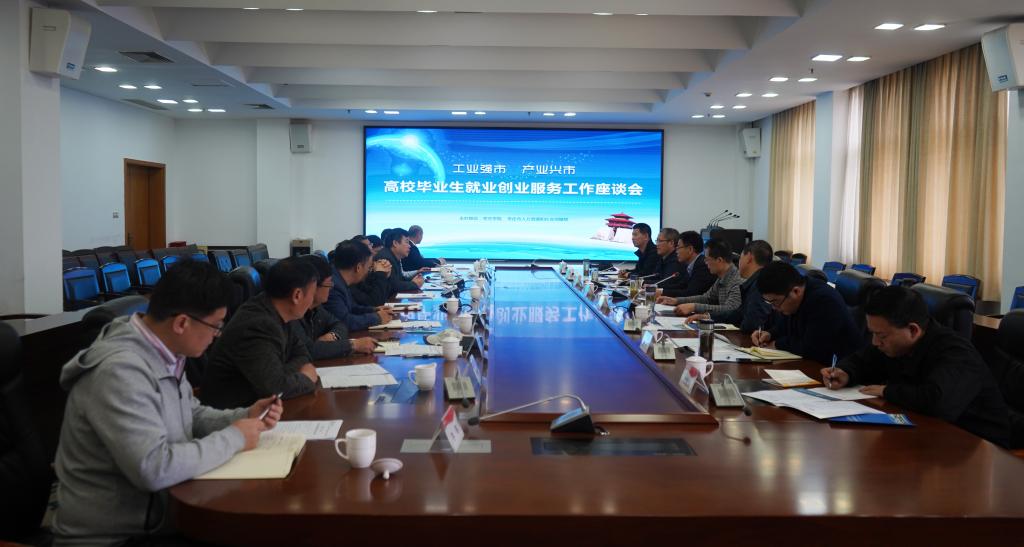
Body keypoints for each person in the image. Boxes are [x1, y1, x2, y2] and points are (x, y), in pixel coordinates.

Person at [53, 260, 283, 545]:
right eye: (215, 326)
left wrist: (245, 415)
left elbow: (191, 414)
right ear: (182, 323)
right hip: (114, 537)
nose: (217, 336)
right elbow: (153, 467)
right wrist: (235, 437)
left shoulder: (165, 351)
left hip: (164, 514)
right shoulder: (119, 372)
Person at [822, 286, 1011, 447]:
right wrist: (845, 372)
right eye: (872, 333)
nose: (875, 342)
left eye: (881, 336)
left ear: (913, 330)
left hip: (980, 445)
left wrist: (887, 391)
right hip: (929, 436)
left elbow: (938, 402)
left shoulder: (956, 353)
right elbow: (863, 360)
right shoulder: (895, 344)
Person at [201, 257, 320, 409]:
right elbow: (274, 388)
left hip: (261, 406)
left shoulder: (278, 311)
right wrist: (305, 377)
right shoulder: (258, 324)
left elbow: (304, 355)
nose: (312, 300)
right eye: (312, 294)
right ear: (297, 295)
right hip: (233, 413)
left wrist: (282, 372)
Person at [753, 261, 862, 365]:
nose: (774, 308)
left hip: (834, 368)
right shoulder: (792, 298)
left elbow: (812, 348)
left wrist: (777, 344)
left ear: (796, 291)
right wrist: (769, 334)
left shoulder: (824, 300)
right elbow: (784, 327)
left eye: (775, 302)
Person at [296, 255, 376, 359]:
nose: (331, 288)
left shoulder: (317, 308)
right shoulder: (294, 315)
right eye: (328, 284)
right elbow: (307, 350)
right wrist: (353, 345)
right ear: (313, 286)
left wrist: (333, 335)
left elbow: (340, 324)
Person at [657, 239, 742, 320]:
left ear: (719, 260)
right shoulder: (722, 277)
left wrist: (694, 307)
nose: (705, 262)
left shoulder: (736, 280)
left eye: (707, 259)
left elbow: (730, 309)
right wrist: (676, 300)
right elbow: (706, 298)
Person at [324, 240, 394, 331]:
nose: (368, 272)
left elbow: (352, 307)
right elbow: (345, 321)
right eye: (369, 267)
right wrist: (377, 318)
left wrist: (374, 310)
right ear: (358, 267)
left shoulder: (340, 279)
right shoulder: (332, 285)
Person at [718, 240, 775, 333]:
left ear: (749, 257)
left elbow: (751, 326)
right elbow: (738, 314)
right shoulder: (758, 281)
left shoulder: (759, 284)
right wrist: (708, 316)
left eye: (740, 258)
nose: (738, 263)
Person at [660, 230, 715, 298]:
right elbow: (681, 285)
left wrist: (662, 292)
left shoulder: (702, 266)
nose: (676, 251)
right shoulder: (690, 265)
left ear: (690, 249)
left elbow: (691, 293)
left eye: (678, 247)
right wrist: (657, 289)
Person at [350, 235, 392, 306]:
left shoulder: (371, 268)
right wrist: (380, 274)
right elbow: (375, 302)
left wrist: (386, 275)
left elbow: (384, 296)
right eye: (366, 248)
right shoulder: (352, 280)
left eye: (370, 245)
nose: (371, 251)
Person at [378, 227, 424, 293]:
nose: (409, 246)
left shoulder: (394, 256)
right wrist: (414, 284)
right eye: (406, 242)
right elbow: (394, 286)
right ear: (395, 243)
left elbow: (400, 279)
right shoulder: (385, 258)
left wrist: (414, 279)